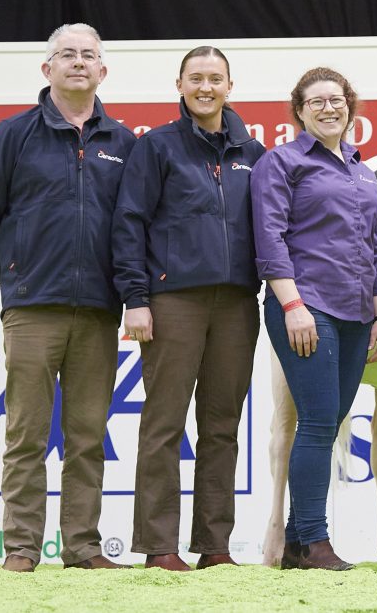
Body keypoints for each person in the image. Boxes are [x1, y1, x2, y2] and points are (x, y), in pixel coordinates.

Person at [0, 23, 135, 572]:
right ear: (48, 69)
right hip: (33, 309)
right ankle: (21, 547)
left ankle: (82, 547)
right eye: (67, 55)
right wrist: (15, 276)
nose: (78, 62)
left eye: (88, 55)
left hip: (99, 313)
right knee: (26, 433)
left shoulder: (124, 143)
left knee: (87, 437)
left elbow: (134, 227)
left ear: (102, 71)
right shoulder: (13, 135)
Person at [113, 46, 266, 571]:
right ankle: (159, 548)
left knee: (223, 426)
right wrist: (136, 298)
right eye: (195, 78)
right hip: (172, 299)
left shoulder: (254, 152)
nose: (206, 87)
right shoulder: (156, 147)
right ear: (179, 85)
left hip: (238, 305)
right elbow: (128, 222)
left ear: (230, 86)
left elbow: (273, 229)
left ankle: (214, 546)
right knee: (163, 425)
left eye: (215, 78)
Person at [251, 67, 377, 571]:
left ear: (349, 105)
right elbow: (269, 239)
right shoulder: (281, 162)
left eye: (337, 99)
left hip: (357, 314)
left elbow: (375, 247)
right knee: (315, 422)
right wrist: (291, 305)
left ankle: (293, 542)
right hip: (307, 307)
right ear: (300, 110)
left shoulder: (361, 169)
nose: (329, 108)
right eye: (317, 102)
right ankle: (315, 541)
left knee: (328, 422)